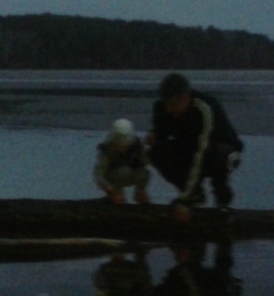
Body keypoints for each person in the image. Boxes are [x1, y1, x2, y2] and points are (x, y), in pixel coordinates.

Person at [146, 73, 243, 219]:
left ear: (186, 98)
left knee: (219, 155)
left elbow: (201, 153)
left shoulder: (204, 108)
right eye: (167, 104)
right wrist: (153, 136)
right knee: (156, 152)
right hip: (190, 148)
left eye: (175, 105)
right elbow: (161, 136)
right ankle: (195, 194)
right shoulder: (161, 108)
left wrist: (184, 200)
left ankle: (222, 198)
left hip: (223, 151)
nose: (170, 110)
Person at [93, 118, 151, 204]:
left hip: (132, 173)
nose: (122, 149)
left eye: (125, 146)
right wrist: (109, 189)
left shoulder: (137, 145)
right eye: (118, 146)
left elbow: (146, 162)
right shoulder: (107, 149)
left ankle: (140, 193)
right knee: (124, 171)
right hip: (113, 176)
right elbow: (98, 173)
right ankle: (118, 193)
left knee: (143, 173)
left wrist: (143, 155)